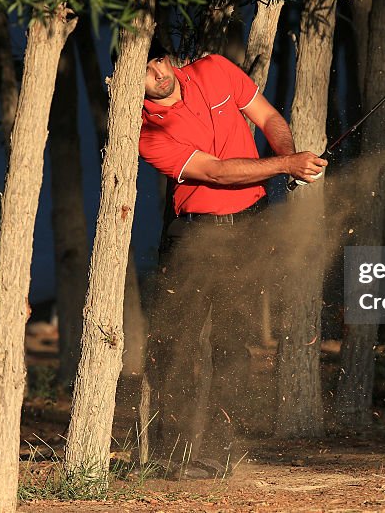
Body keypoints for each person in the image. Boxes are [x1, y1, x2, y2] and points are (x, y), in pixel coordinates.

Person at [138, 44, 326, 477]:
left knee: (235, 344)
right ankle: (174, 457)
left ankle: (219, 456)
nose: (158, 74)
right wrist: (285, 166)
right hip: (197, 236)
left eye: (159, 61)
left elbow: (269, 118)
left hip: (250, 226)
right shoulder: (148, 131)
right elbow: (217, 172)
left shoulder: (215, 69)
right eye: (145, 72)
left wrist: (289, 158)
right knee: (178, 348)